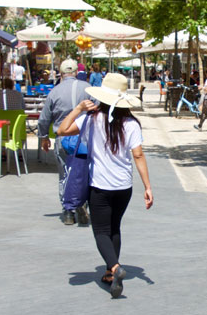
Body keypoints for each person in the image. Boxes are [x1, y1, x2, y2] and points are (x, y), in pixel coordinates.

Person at [56, 72, 152, 299]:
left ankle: (116, 268)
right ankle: (110, 273)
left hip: (100, 185)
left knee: (100, 231)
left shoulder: (91, 118)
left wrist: (78, 108)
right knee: (114, 227)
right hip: (124, 186)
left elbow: (61, 130)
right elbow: (138, 155)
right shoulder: (131, 123)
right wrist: (147, 187)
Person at [38, 59, 89, 226]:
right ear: (76, 72)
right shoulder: (87, 88)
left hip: (63, 138)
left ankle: (68, 210)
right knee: (83, 171)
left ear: (61, 74)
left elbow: (44, 118)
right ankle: (82, 202)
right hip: (83, 138)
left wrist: (44, 137)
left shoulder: (55, 91)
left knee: (64, 173)